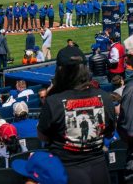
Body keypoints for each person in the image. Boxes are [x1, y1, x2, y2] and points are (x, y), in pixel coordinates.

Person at [38, 45, 115, 183]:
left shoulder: (53, 101)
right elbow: (109, 133)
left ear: (60, 71)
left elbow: (42, 136)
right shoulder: (105, 97)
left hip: (67, 172)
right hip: (99, 171)